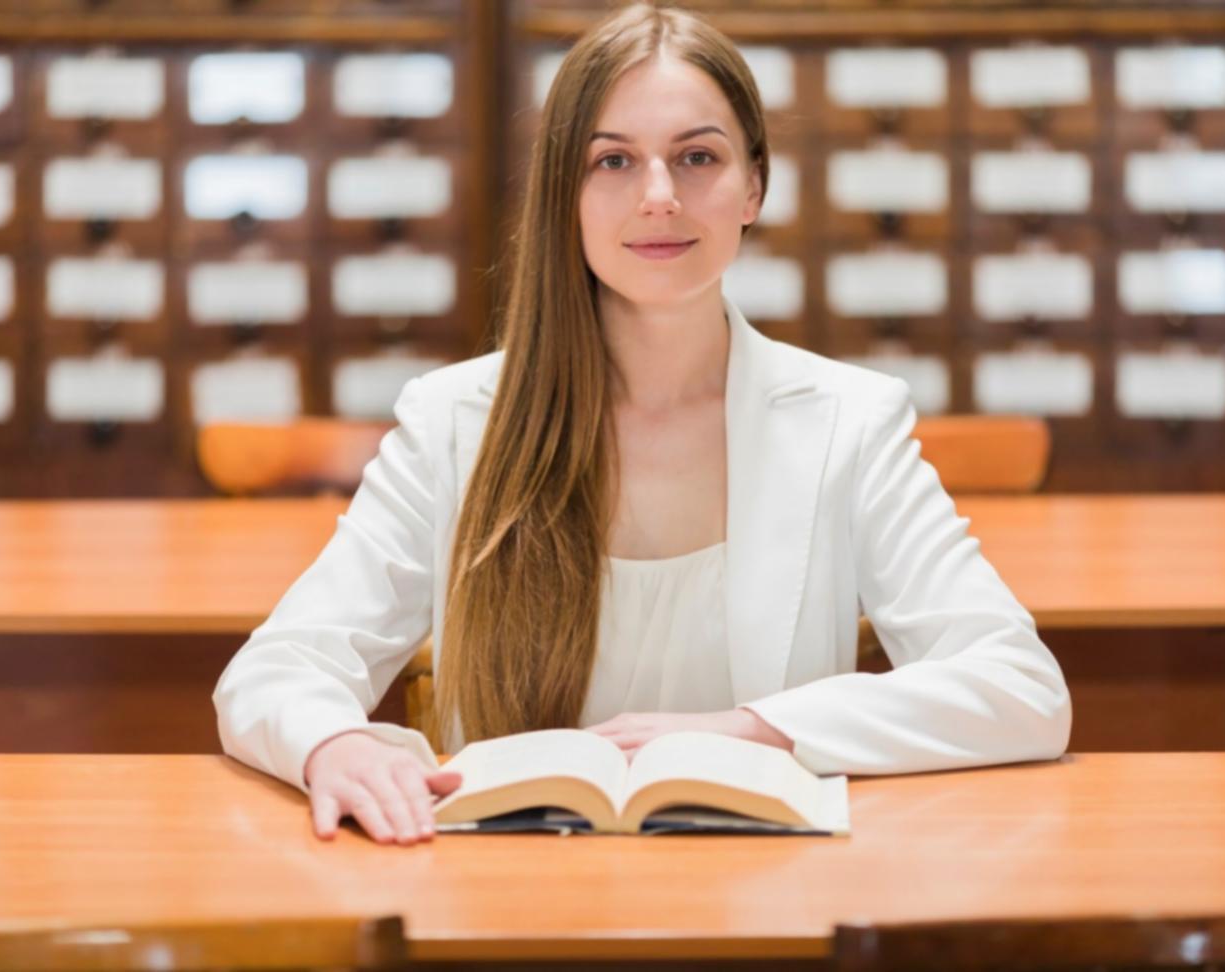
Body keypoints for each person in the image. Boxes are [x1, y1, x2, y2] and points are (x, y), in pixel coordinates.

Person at [214, 2, 1071, 847]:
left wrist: (756, 731)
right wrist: (334, 744)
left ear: (754, 188)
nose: (660, 197)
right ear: (566, 194)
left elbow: (1020, 687)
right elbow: (279, 667)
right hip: (505, 902)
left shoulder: (850, 422)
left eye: (697, 157)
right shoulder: (454, 425)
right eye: (614, 162)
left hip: (766, 902)